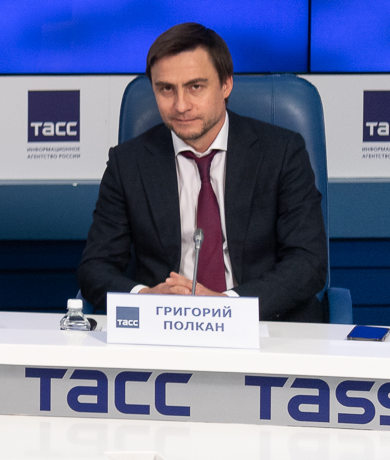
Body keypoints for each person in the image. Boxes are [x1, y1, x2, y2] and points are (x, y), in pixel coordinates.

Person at [78, 23, 327, 322]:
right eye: (166, 89)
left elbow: (308, 262)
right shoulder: (128, 163)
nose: (181, 105)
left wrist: (228, 305)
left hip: (263, 323)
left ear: (226, 85)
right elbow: (95, 268)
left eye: (195, 87)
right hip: (165, 326)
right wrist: (146, 298)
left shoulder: (282, 152)